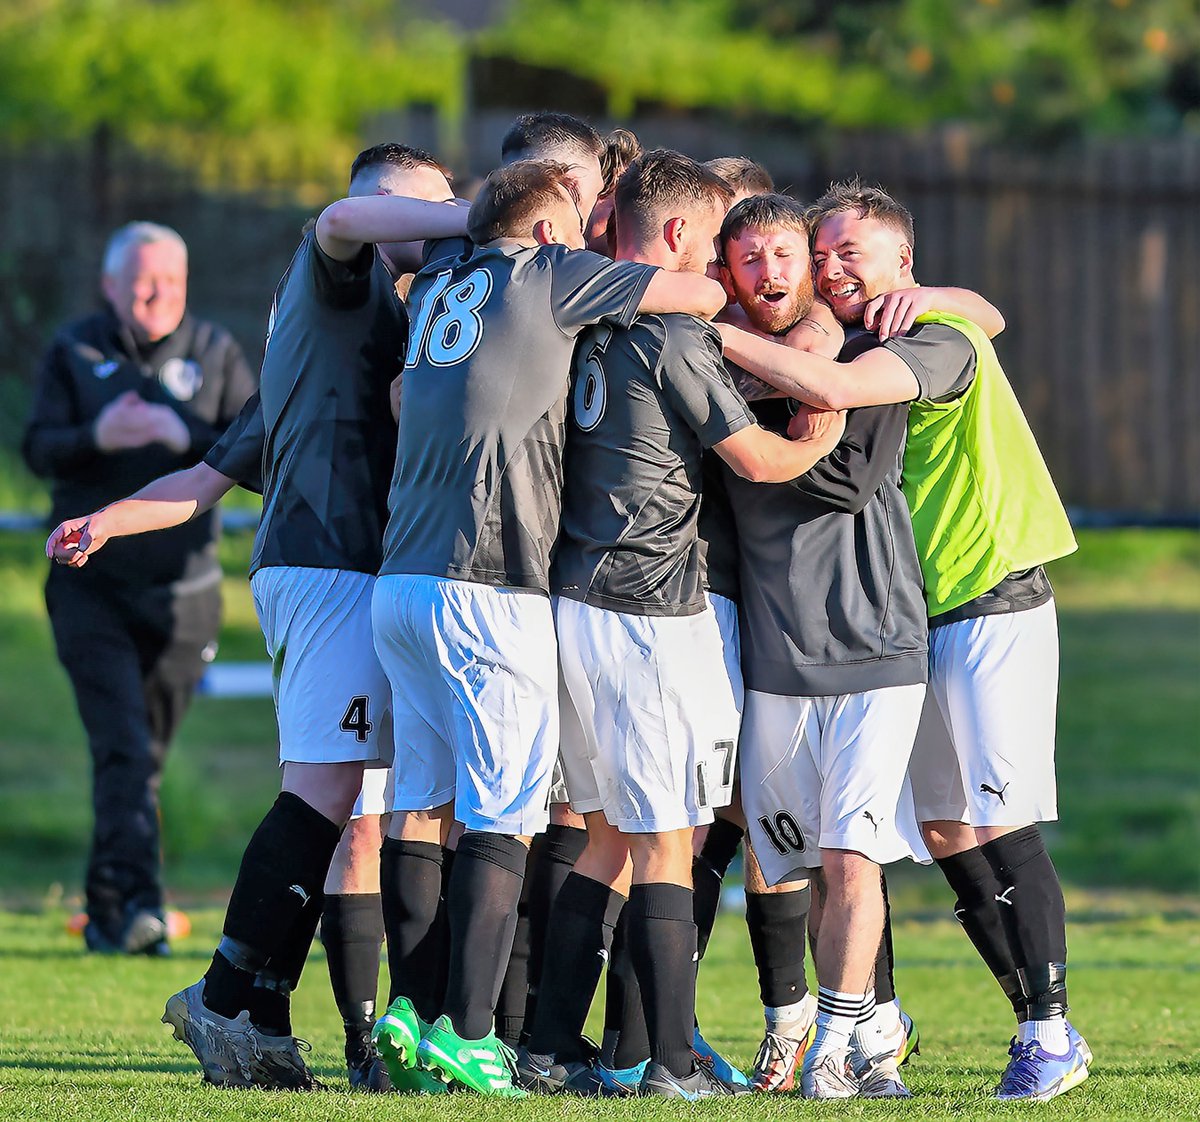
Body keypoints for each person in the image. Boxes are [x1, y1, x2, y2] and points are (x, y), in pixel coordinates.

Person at [47, 144, 462, 1092]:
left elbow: (205, 476)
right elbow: (340, 220)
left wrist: (110, 518)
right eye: (431, 208)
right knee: (324, 794)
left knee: (348, 799)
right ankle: (225, 992)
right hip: (331, 570)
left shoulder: (369, 324)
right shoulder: (336, 277)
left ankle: (265, 1019)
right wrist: (481, 215)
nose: (442, 225)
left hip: (340, 574)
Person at [717, 179, 1088, 1103]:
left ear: (902, 265)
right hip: (927, 614)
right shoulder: (889, 327)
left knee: (999, 817)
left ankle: (1051, 1031)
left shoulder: (933, 338)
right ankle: (891, 1023)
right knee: (937, 825)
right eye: (825, 249)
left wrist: (705, 339)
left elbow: (839, 390)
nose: (835, 266)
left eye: (855, 251)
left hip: (995, 594)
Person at [369, 157, 729, 1098]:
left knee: (421, 800)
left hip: (400, 579)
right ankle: (477, 1034)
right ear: (543, 235)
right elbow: (699, 288)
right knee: (505, 809)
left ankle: (410, 1012)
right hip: (490, 580)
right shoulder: (548, 270)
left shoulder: (442, 279)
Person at [517, 152, 848, 1100]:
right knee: (669, 835)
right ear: (674, 239)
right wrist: (817, 428)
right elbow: (757, 461)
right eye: (710, 239)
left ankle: (551, 1045)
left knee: (613, 836)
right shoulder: (670, 330)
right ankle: (663, 1064)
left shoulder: (582, 312)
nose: (714, 262)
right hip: (649, 603)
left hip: (577, 595)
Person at [718, 192, 931, 1099]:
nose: (772, 271)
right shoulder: (700, 365)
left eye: (786, 253)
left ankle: (841, 1049)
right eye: (749, 257)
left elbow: (840, 477)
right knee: (789, 860)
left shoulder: (864, 356)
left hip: (876, 646)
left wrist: (762, 367)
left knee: (852, 854)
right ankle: (863, 1027)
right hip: (774, 660)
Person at [23, 221, 256, 956]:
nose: (157, 296)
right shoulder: (74, 350)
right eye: (142, 283)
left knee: (141, 759)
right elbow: (36, 447)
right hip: (90, 592)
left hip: (184, 597)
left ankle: (107, 909)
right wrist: (99, 437)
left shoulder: (216, 352)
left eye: (171, 283)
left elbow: (253, 446)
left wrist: (176, 430)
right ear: (110, 285)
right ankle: (142, 908)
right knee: (123, 746)